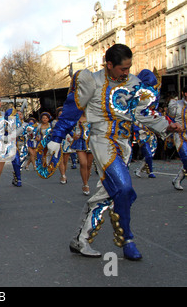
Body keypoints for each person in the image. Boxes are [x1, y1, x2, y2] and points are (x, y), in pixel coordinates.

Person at [47, 44, 181, 261]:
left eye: (129, 68)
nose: (126, 72)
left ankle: (81, 239)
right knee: (124, 187)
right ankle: (127, 239)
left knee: (109, 192)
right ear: (109, 64)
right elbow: (73, 109)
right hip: (102, 140)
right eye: (122, 68)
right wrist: (57, 137)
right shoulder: (92, 81)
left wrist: (167, 125)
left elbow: (142, 114)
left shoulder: (135, 83)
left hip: (124, 144)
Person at [168, 86, 187, 190]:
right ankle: (177, 180)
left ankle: (177, 180)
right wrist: (172, 102)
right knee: (186, 158)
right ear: (185, 93)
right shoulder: (178, 104)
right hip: (180, 135)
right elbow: (171, 114)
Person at [71, 113, 93, 195]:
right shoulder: (76, 116)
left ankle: (86, 181)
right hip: (80, 141)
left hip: (91, 141)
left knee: (89, 165)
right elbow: (68, 126)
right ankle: (85, 184)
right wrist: (73, 135)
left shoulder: (93, 115)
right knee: (83, 163)